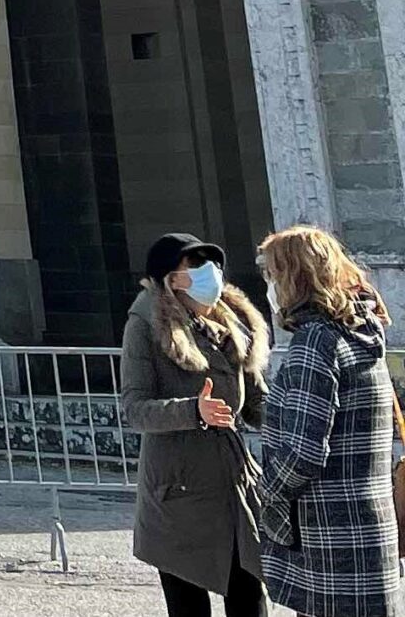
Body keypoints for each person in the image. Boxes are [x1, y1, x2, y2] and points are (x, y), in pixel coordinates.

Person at [249, 225, 404, 617]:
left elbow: (303, 451)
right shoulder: (361, 331)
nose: (268, 286)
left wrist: (265, 489)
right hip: (369, 520)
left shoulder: (315, 341)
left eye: (271, 274)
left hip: (330, 533)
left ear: (292, 277)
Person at [119, 229, 270, 617]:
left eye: (212, 263)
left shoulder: (233, 323)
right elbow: (134, 408)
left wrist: (299, 419)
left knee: (249, 594)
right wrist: (192, 411)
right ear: (172, 278)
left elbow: (256, 402)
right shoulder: (144, 324)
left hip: (233, 485)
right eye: (197, 264)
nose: (211, 272)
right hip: (178, 491)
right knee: (188, 602)